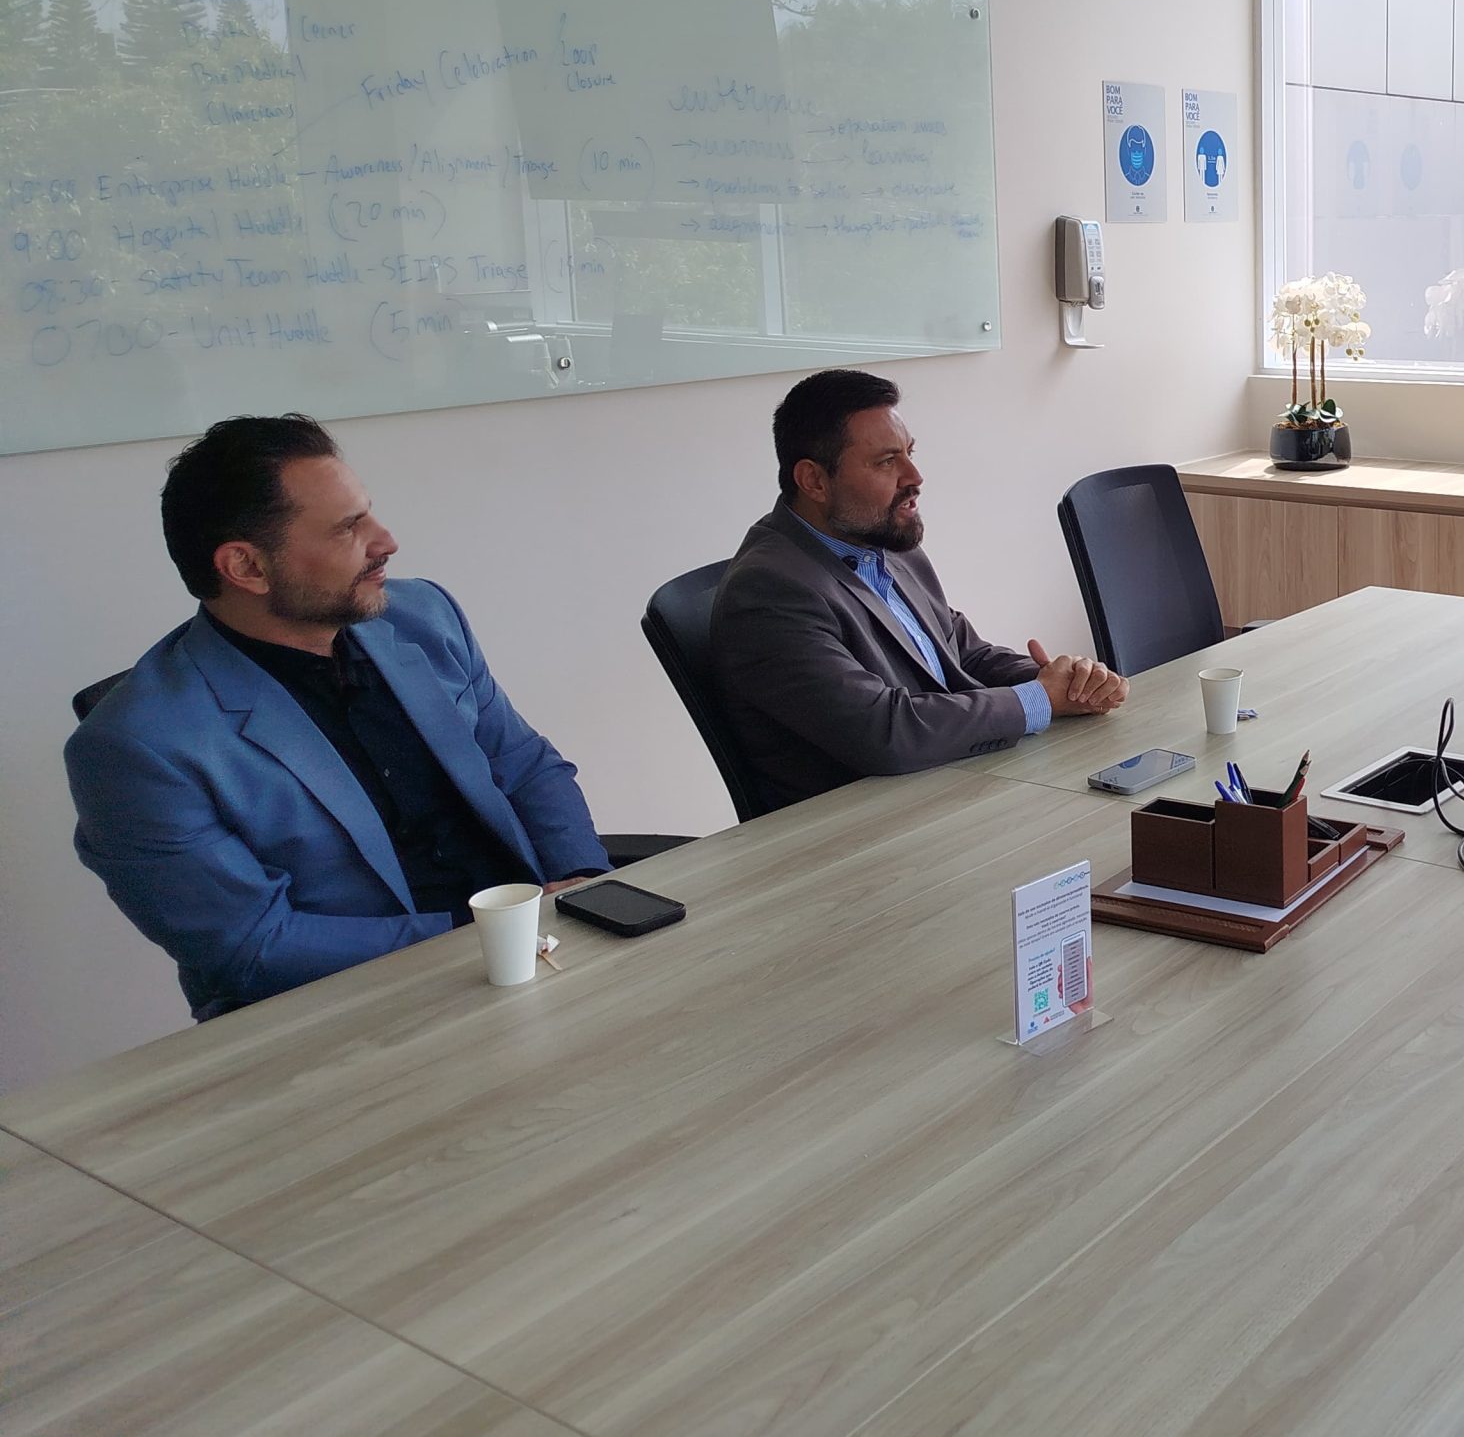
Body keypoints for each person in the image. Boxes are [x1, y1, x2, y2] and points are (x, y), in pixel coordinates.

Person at [67, 416, 607, 1021]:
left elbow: (524, 765)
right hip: (354, 1013)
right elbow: (251, 947)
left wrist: (582, 881)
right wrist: (488, 934)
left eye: (367, 514)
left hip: (541, 951)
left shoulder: (423, 616)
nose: (386, 541)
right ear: (246, 567)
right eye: (349, 528)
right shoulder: (136, 747)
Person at [710, 369, 1126, 810]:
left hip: (947, 787)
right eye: (886, 462)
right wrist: (1040, 699)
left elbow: (962, 653)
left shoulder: (885, 543)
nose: (915, 476)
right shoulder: (768, 592)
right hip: (862, 826)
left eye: (909, 453)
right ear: (814, 481)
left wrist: (1071, 683)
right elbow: (885, 731)